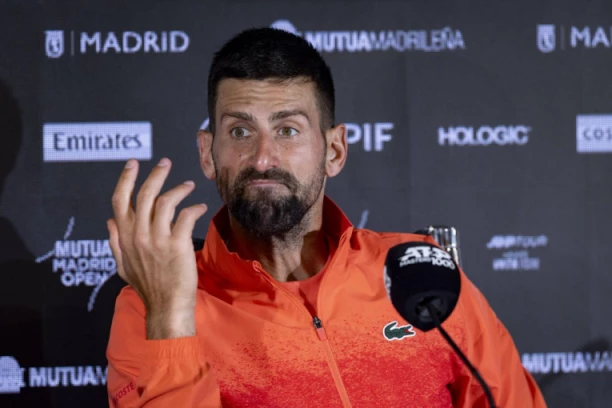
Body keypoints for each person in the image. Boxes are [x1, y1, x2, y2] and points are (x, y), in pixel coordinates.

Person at [105, 27, 547, 407]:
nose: (262, 158)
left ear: (334, 150)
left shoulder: (420, 274)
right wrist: (171, 322)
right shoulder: (152, 308)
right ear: (208, 153)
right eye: (240, 131)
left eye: (287, 130)